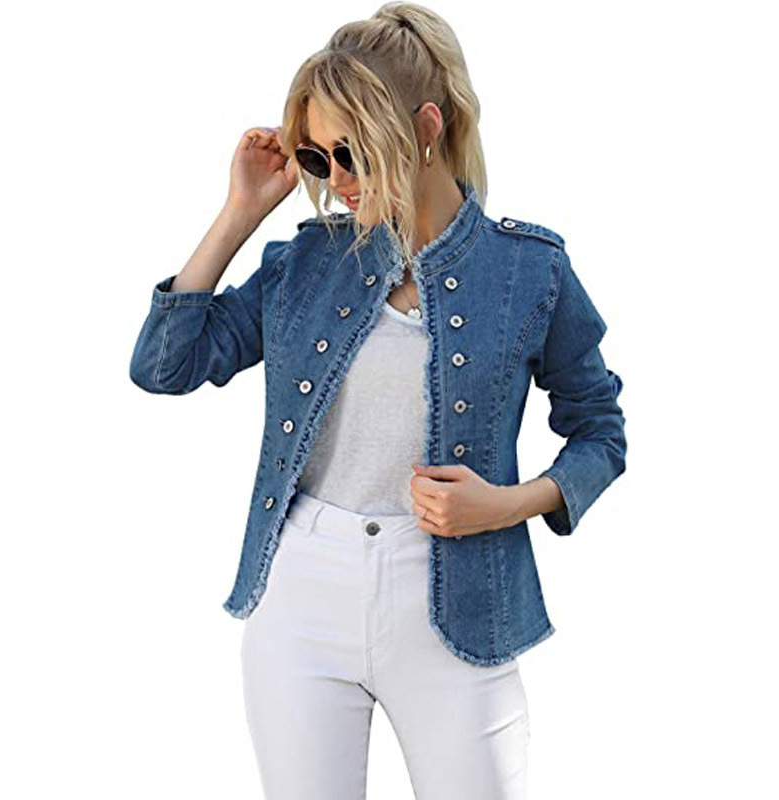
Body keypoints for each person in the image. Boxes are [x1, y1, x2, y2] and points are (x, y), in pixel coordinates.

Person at [129, 3, 627, 798]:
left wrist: (507, 504)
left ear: (426, 128)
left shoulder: (529, 271)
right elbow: (165, 366)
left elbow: (600, 431)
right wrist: (240, 214)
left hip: (461, 603)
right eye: (316, 156)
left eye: (352, 152)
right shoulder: (307, 262)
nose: (336, 180)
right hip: (301, 592)